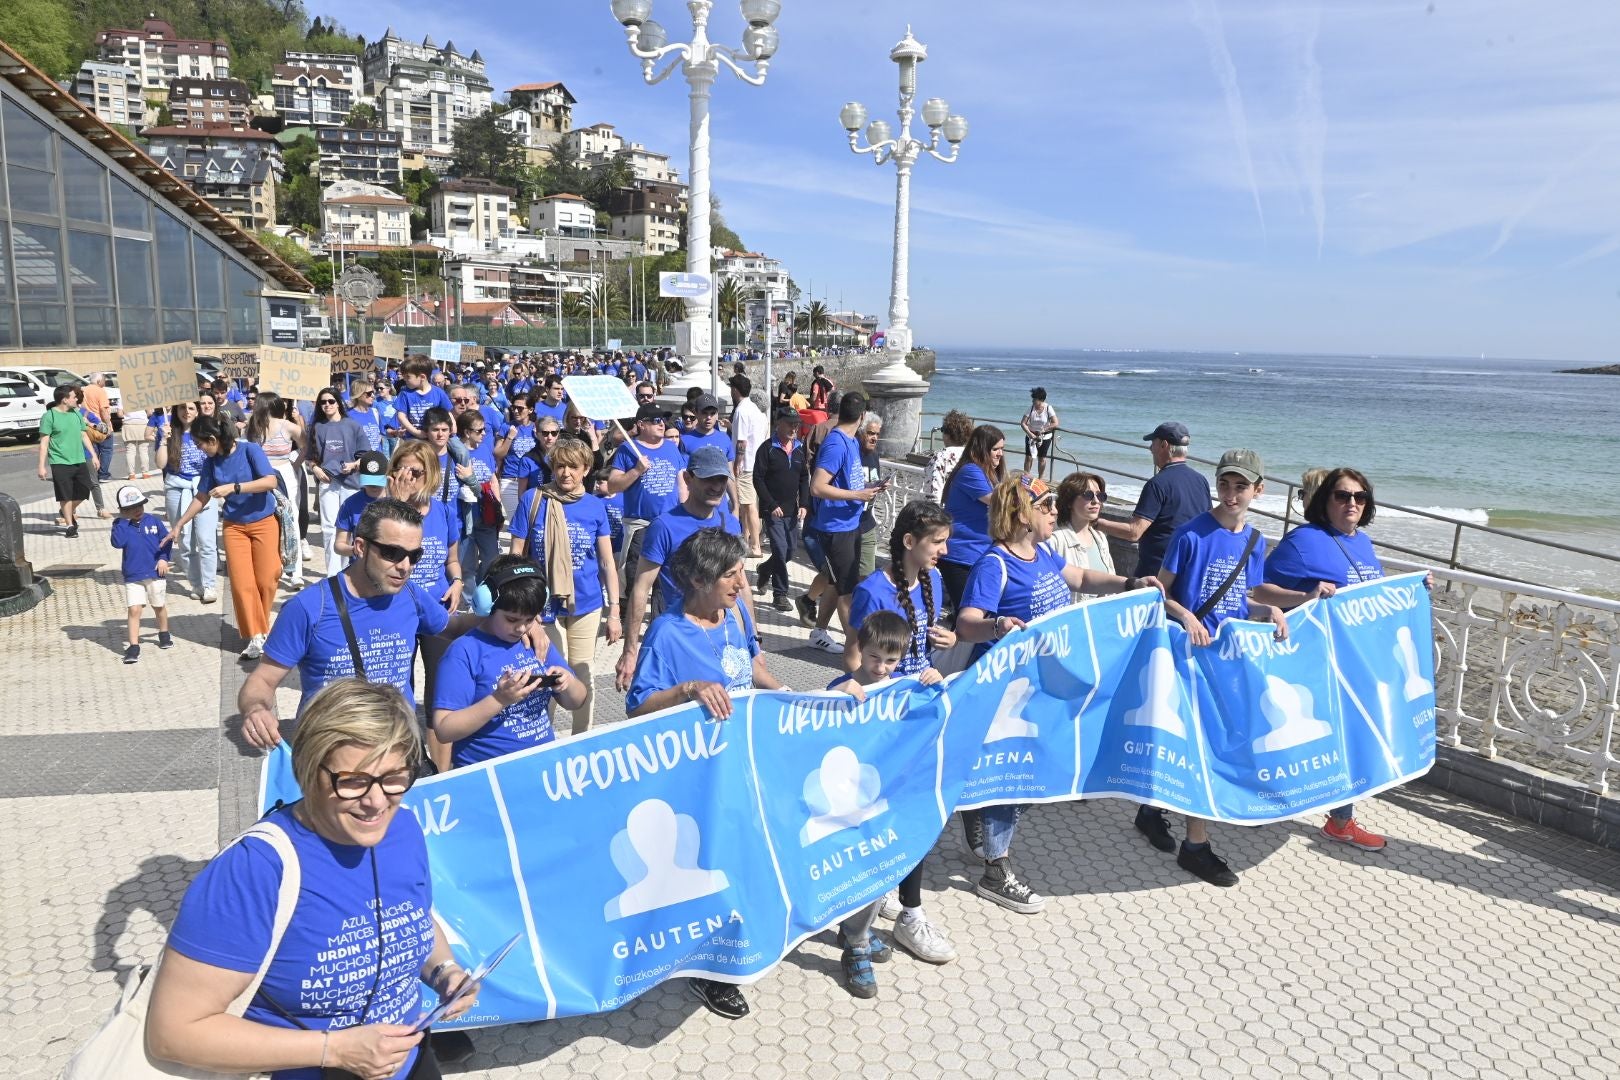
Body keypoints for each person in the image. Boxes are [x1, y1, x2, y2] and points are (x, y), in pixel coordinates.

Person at [148, 678, 480, 1080]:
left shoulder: (402, 830)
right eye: (353, 781)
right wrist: (335, 1050)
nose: (377, 801)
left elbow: (412, 918)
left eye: (394, 777)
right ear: (309, 769)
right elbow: (173, 1033)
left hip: (410, 1059)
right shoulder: (253, 871)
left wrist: (444, 971)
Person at [954, 474, 1148, 911]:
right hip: (1008, 695)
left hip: (1043, 688)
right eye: (1047, 506)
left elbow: (1077, 576)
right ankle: (995, 870)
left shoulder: (1041, 553)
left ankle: (978, 808)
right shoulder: (995, 564)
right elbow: (966, 623)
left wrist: (1128, 585)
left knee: (1032, 774)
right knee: (1015, 776)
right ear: (1023, 514)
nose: (1055, 512)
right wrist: (998, 625)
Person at [625, 527, 784, 1021]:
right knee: (709, 868)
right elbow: (637, 707)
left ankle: (735, 945)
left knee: (744, 857)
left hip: (744, 764)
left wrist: (793, 702)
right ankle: (709, 972)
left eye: (741, 571)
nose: (741, 582)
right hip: (698, 778)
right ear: (698, 579)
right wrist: (688, 689)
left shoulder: (734, 613)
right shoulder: (667, 633)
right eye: (731, 574)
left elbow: (752, 665)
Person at [1143, 449, 1300, 888]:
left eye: (1241, 486)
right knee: (1201, 749)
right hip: (1188, 656)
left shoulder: (1254, 540)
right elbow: (1161, 592)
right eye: (1225, 484)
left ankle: (1151, 809)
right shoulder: (1191, 534)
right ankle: (1196, 844)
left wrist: (1270, 609)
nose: (1231, 494)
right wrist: (1187, 616)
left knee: (1206, 744)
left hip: (1226, 660)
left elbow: (1244, 597)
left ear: (1258, 490)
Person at [1264, 467, 1430, 852]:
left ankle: (1339, 822)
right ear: (1325, 501)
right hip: (1319, 659)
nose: (1351, 503)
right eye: (1342, 496)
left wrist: (1416, 590)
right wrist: (1307, 594)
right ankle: (1276, 801)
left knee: (1350, 738)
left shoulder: (1363, 542)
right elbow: (1259, 588)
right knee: (1313, 735)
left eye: (1359, 497)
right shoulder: (1304, 540)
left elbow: (1376, 595)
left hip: (1360, 662)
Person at [240, 497, 476, 751]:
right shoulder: (309, 607)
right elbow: (262, 681)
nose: (405, 566)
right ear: (361, 547)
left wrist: (514, 619)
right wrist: (256, 710)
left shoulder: (411, 595)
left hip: (397, 751)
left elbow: (453, 627)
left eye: (413, 555)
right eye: (392, 553)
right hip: (331, 758)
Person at [844, 501, 959, 966]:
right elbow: (854, 654)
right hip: (885, 722)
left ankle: (903, 904)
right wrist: (865, 685)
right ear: (909, 542)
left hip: (920, 714)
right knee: (890, 813)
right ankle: (905, 911)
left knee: (916, 811)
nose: (945, 551)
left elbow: (923, 638)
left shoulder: (931, 580)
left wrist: (944, 641)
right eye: (937, 542)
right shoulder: (874, 589)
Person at [509, 436, 621, 734]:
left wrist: (615, 612)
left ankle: (581, 739)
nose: (566, 473)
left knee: (583, 673)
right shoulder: (533, 499)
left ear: (586, 469)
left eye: (573, 467)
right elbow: (515, 556)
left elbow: (607, 562)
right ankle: (541, 737)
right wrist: (520, 606)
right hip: (541, 607)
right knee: (548, 674)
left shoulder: (595, 507)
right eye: (560, 466)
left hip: (586, 603)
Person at [433, 556, 588, 765]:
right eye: (512, 619)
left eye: (530, 619)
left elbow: (577, 700)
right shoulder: (464, 652)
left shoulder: (536, 642)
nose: (522, 628)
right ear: (487, 605)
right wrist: (499, 699)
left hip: (542, 767)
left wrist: (567, 684)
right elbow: (444, 729)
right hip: (490, 776)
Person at [615, 446, 747, 691]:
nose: (717, 486)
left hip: (721, 633)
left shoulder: (731, 524)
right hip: (679, 635)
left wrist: (752, 642)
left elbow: (742, 584)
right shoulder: (664, 526)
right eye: (708, 479)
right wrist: (630, 651)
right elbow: (641, 589)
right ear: (688, 478)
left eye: (721, 479)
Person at [166, 415, 283, 659]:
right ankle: (255, 635)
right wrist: (179, 525)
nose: (199, 449)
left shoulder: (250, 450)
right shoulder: (211, 462)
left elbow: (270, 481)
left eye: (200, 444)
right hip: (234, 526)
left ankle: (262, 624)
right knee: (242, 584)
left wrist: (235, 487)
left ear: (213, 439)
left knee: (266, 579)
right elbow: (201, 497)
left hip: (263, 521)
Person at [804, 392, 884, 656]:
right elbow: (817, 487)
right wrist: (857, 495)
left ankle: (819, 633)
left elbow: (845, 483)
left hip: (851, 525)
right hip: (835, 529)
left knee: (837, 584)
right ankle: (858, 650)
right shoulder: (837, 444)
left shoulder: (850, 442)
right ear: (862, 417)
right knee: (847, 592)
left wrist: (868, 489)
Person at [1094, 421, 1210, 580]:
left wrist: (1096, 523)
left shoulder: (1157, 484)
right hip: (1191, 570)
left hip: (1157, 574)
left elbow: (1134, 532)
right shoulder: (1201, 481)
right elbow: (1208, 525)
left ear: (1164, 445)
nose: (1150, 448)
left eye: (1153, 443)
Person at [605, 403, 687, 599]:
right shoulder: (627, 449)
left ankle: (659, 623)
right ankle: (627, 620)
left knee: (666, 580)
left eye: (663, 420)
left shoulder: (671, 448)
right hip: (640, 525)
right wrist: (636, 470)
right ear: (641, 425)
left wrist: (685, 515)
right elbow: (613, 485)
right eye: (656, 421)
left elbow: (682, 483)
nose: (662, 425)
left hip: (668, 523)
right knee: (634, 577)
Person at [937, 424, 1007, 611]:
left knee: (974, 614)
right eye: (995, 449)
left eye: (1002, 449)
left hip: (979, 552)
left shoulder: (989, 474)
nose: (1000, 454)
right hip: (961, 554)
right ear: (981, 449)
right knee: (967, 614)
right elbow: (998, 502)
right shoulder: (971, 471)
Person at [752, 406, 810, 613]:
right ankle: (780, 594)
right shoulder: (767, 448)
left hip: (792, 510)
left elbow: (804, 477)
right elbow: (757, 478)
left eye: (797, 424)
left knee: (789, 551)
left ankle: (765, 569)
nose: (794, 428)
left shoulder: (799, 448)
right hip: (772, 510)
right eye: (790, 423)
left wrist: (804, 503)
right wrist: (770, 504)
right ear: (779, 423)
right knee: (779, 548)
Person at [163, 401, 220, 603]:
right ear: (175, 411)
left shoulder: (207, 432)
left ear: (197, 411)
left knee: (206, 540)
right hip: (177, 489)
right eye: (181, 408)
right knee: (186, 543)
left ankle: (210, 585)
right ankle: (196, 584)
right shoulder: (170, 432)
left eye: (191, 408)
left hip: (204, 488)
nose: (186, 412)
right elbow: (160, 463)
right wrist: (163, 440)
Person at [247, 392, 305, 586]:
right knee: (266, 520)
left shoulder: (287, 426)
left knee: (291, 518)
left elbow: (306, 445)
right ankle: (272, 566)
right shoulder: (252, 427)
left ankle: (295, 570)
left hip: (285, 474)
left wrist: (295, 465)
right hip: (260, 476)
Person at [307, 389, 368, 576]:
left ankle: (349, 571)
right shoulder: (317, 427)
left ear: (338, 402)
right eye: (323, 402)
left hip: (351, 482)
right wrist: (315, 469)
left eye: (331, 401)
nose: (327, 405)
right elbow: (310, 458)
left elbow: (365, 454)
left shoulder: (353, 425)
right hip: (328, 482)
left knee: (350, 528)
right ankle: (333, 575)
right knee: (328, 528)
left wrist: (354, 465)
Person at [111, 485, 173, 663]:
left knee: (158, 605)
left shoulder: (153, 521)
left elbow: (166, 540)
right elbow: (117, 543)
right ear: (123, 510)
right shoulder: (120, 525)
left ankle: (163, 632)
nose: (137, 510)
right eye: (131, 508)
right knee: (134, 609)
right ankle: (133, 646)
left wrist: (163, 559)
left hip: (155, 571)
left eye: (140, 506)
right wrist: (123, 520)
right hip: (133, 574)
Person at [37, 384, 95, 538]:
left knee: (84, 490)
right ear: (65, 400)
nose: (77, 399)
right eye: (74, 397)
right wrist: (41, 466)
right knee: (65, 496)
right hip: (59, 462)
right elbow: (44, 443)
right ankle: (70, 525)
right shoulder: (49, 416)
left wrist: (93, 455)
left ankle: (65, 511)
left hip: (79, 459)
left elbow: (84, 435)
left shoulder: (76, 414)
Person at [1050, 471, 1116, 600]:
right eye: (1088, 495)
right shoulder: (1056, 541)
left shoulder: (1101, 538)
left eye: (1100, 496)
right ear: (1069, 502)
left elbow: (1111, 582)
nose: (1096, 501)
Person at [455, 410, 502, 592]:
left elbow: (492, 478)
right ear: (467, 432)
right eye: (479, 430)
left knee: (492, 558)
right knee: (467, 563)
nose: (484, 434)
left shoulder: (484, 448)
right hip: (465, 514)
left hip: (486, 512)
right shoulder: (457, 452)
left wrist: (497, 503)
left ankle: (481, 593)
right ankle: (469, 601)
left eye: (484, 430)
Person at [729, 375, 768, 558]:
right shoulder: (757, 411)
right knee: (749, 505)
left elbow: (742, 442)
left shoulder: (741, 411)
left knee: (749, 505)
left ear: (735, 390)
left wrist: (737, 463)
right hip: (758, 463)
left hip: (747, 465)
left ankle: (755, 545)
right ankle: (746, 539)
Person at [390, 355, 454, 441]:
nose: (404, 379)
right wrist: (416, 432)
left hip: (436, 437)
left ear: (422, 377)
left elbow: (448, 412)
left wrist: (453, 425)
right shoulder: (405, 394)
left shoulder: (439, 392)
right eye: (404, 376)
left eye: (408, 376)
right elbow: (401, 416)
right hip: (413, 438)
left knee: (459, 450)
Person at [925, 410, 973, 503]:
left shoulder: (942, 457)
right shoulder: (972, 455)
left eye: (943, 430)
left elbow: (933, 493)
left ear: (948, 434)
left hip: (947, 512)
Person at [122, 401, 155, 479]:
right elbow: (150, 412)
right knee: (143, 450)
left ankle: (131, 475)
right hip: (142, 424)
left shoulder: (122, 396)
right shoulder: (142, 395)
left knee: (130, 451)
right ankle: (145, 473)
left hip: (128, 424)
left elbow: (120, 413)